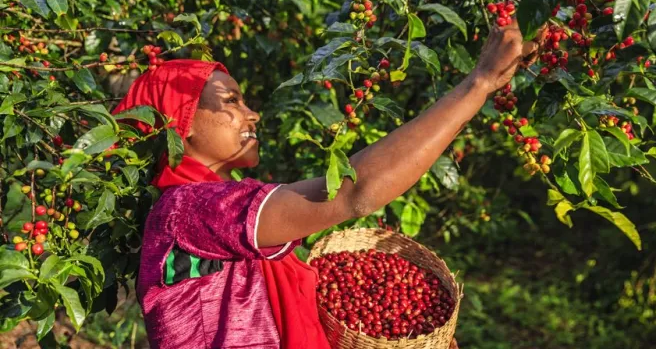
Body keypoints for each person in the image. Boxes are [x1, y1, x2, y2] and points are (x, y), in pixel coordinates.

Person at [112, 18, 540, 348]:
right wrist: (477, 84)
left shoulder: (218, 211)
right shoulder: (189, 207)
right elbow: (355, 192)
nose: (251, 114)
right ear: (178, 122)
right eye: (231, 102)